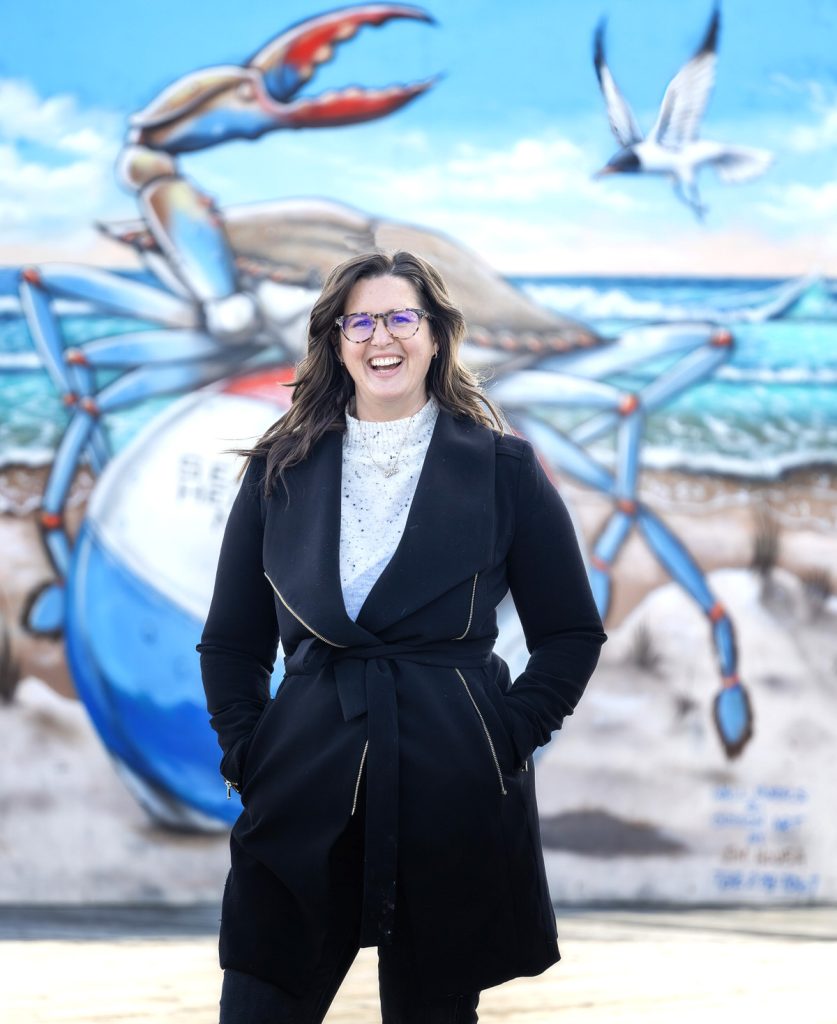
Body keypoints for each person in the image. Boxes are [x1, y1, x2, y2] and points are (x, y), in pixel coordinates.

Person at [198, 250, 606, 1023]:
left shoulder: (503, 469)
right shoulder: (278, 469)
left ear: (435, 336)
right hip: (303, 775)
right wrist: (249, 753)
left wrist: (504, 735)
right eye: (359, 320)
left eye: (399, 318)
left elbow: (569, 632)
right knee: (258, 1003)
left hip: (448, 778)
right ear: (335, 339)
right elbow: (230, 641)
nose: (379, 336)